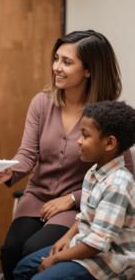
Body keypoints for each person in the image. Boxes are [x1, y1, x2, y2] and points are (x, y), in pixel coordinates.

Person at [0, 30, 135, 280]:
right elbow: (27, 153)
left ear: (89, 70)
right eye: (56, 59)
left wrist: (71, 198)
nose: (57, 67)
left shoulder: (102, 115)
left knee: (33, 251)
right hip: (36, 197)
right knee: (10, 251)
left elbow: (126, 174)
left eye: (67, 62)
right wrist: (10, 171)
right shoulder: (41, 103)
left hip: (76, 205)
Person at [13, 100, 135, 280]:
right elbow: (86, 216)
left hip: (109, 259)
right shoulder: (93, 173)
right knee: (23, 269)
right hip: (85, 245)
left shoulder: (117, 184)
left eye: (85, 136)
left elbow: (98, 244)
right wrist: (67, 237)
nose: (78, 141)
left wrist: (57, 258)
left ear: (109, 143)